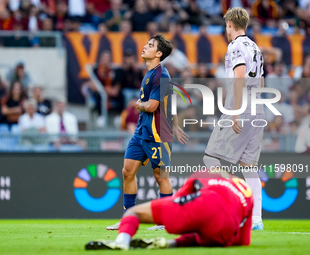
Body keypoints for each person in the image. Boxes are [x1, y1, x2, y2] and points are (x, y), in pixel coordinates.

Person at [106, 34, 188, 231]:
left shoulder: (161, 75)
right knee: (127, 172)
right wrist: (175, 124)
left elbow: (151, 106)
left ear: (159, 53)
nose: (144, 47)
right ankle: (128, 219)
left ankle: (167, 220)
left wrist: (138, 104)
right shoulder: (150, 73)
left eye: (150, 45)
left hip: (158, 134)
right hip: (142, 131)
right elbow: (170, 102)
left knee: (161, 177)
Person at [203, 7, 265, 230]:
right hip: (257, 107)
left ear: (229, 24)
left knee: (210, 158)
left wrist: (236, 112)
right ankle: (256, 219)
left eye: (226, 25)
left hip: (240, 107)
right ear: (246, 26)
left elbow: (239, 77)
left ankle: (232, 205)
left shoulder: (235, 45)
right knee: (249, 166)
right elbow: (261, 82)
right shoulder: (255, 47)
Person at [86, 170, 253, 250]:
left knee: (133, 212)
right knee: (202, 236)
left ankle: (121, 242)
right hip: (224, 229)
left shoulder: (204, 174)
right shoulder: (246, 189)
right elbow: (243, 241)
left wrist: (166, 215)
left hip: (204, 204)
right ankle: (170, 244)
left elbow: (177, 199)